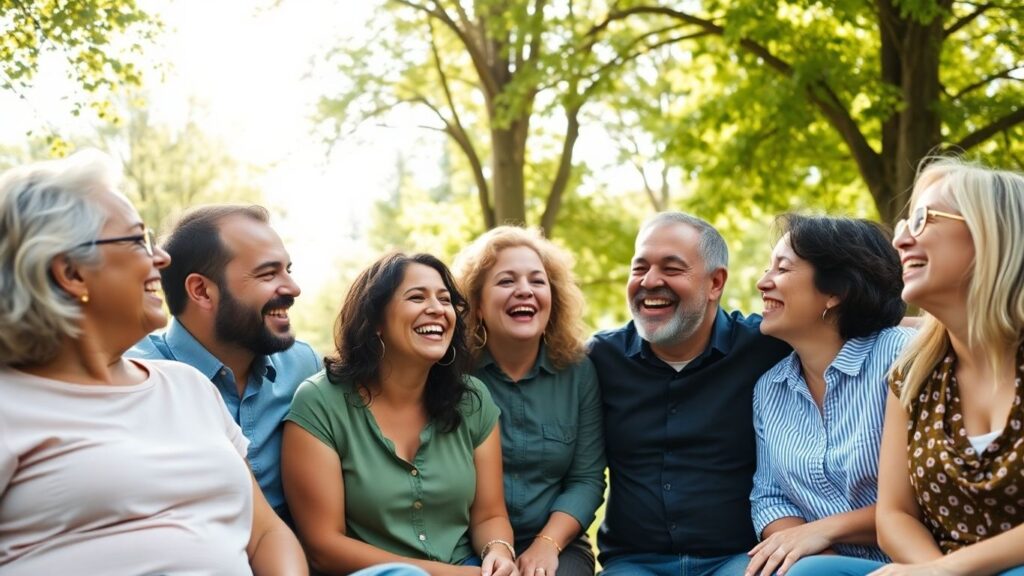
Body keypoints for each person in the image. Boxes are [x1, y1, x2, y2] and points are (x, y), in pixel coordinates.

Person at [0, 150, 306, 574]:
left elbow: (268, 533)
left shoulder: (187, 386)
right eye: (137, 240)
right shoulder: (11, 404)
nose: (161, 259)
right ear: (71, 272)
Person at [792, 160, 1024, 576]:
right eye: (902, 224)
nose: (900, 239)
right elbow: (894, 517)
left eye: (922, 219)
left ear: (993, 233)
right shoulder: (913, 372)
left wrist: (945, 573)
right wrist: (932, 570)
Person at [282, 252, 519, 576]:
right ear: (376, 320)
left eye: (445, 299)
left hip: (467, 566)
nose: (437, 309)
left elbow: (489, 516)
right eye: (417, 297)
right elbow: (324, 547)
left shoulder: (472, 399)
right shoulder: (320, 403)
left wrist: (498, 553)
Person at [588, 212, 791, 576]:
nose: (650, 281)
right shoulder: (600, 358)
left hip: (740, 559)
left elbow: (849, 326)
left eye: (671, 268)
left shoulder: (768, 346)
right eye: (639, 268)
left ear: (715, 283)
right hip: (634, 563)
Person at [128, 204, 321, 521]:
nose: (293, 288)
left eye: (288, 270)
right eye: (268, 274)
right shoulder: (136, 375)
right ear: (202, 291)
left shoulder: (303, 367)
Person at [744, 215, 911, 576]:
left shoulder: (903, 357)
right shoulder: (770, 390)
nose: (762, 282)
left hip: (922, 562)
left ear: (836, 291)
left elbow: (927, 492)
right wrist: (825, 563)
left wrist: (821, 531)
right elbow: (770, 498)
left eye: (782, 269)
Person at [454, 226, 606, 576]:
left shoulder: (580, 372)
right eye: (506, 281)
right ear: (476, 304)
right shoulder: (451, 374)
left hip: (557, 543)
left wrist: (546, 545)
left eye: (537, 281)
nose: (525, 291)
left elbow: (586, 478)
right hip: (464, 544)